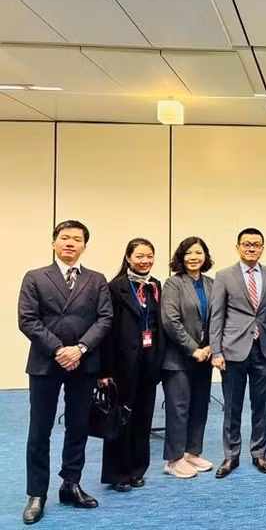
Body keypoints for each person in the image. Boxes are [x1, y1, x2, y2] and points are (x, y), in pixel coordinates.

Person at [19, 220, 113, 525]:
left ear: (85, 245)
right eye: (65, 238)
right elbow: (28, 320)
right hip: (47, 362)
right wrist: (60, 350)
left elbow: (105, 318)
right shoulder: (35, 277)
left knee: (78, 426)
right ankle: (37, 493)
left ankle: (71, 483)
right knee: (40, 429)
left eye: (77, 239)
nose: (70, 243)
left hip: (84, 363)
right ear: (54, 243)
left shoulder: (97, 279)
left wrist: (81, 349)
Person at [209, 228, 266, 479]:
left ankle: (259, 452)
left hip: (263, 348)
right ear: (238, 247)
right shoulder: (224, 276)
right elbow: (217, 316)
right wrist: (216, 351)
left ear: (262, 248)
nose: (251, 248)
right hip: (232, 350)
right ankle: (231, 455)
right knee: (232, 406)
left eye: (256, 245)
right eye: (246, 244)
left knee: (261, 405)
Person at [99, 238, 165, 492]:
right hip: (121, 364)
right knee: (120, 419)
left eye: (149, 255)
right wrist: (104, 371)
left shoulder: (154, 286)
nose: (145, 260)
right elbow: (106, 331)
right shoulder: (114, 288)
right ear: (128, 258)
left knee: (142, 418)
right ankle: (118, 473)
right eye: (139, 256)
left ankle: (138, 469)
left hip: (148, 362)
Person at [160, 236, 215, 479]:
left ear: (206, 257)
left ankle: (192, 452)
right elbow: (170, 321)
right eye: (189, 253)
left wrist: (212, 346)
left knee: (199, 406)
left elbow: (219, 317)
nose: (194, 257)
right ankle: (173, 459)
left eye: (199, 252)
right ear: (181, 257)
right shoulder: (173, 284)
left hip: (206, 356)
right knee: (179, 408)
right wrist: (193, 349)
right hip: (179, 358)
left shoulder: (212, 283)